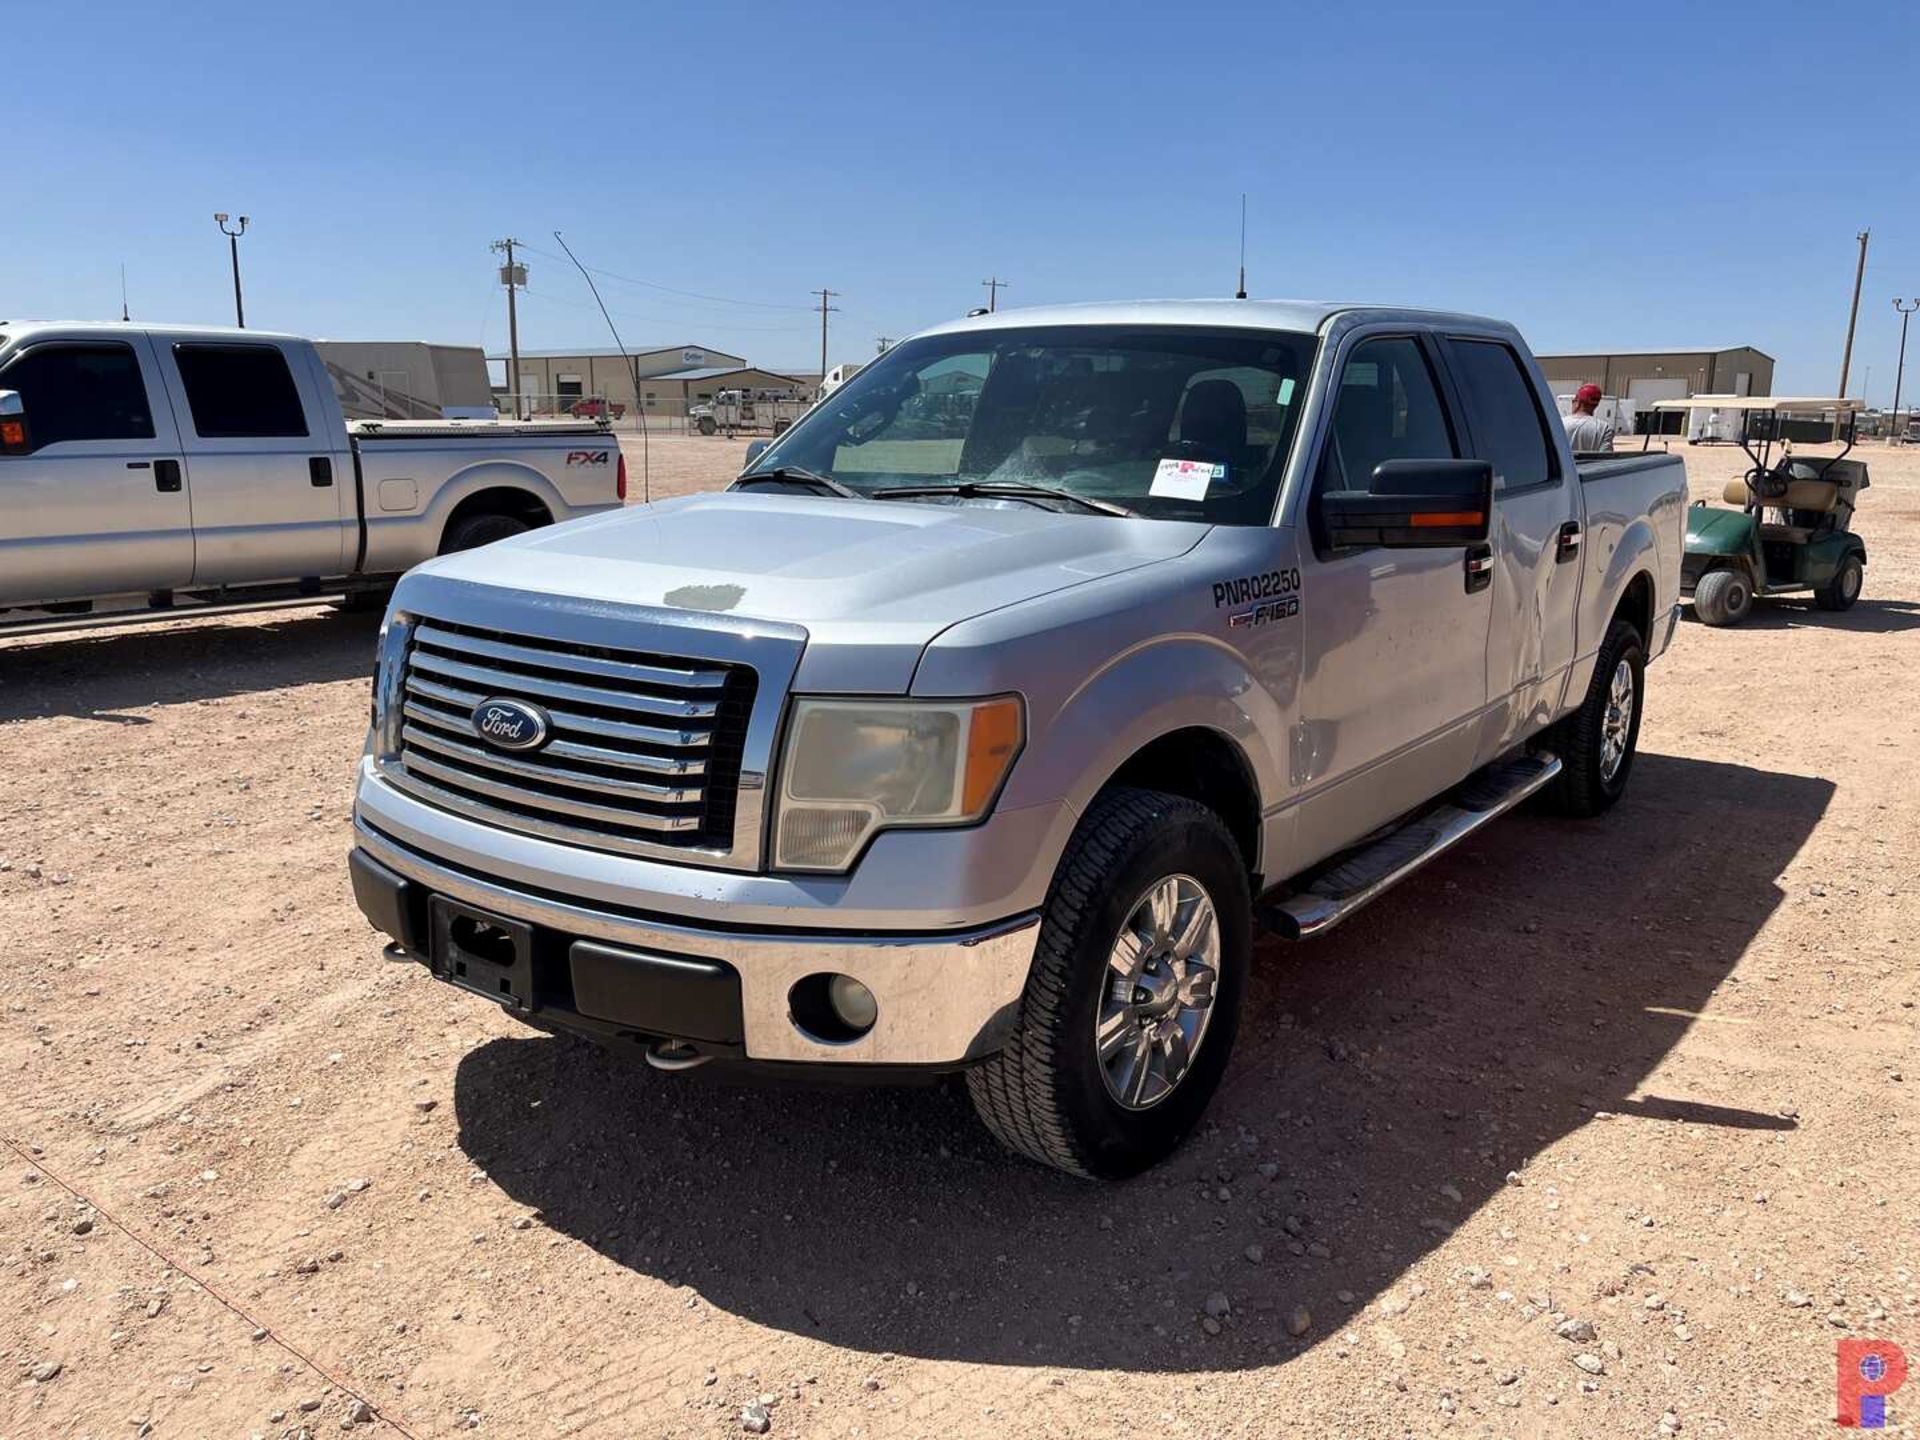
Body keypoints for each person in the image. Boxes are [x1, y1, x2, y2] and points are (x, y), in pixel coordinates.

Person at [1563, 383, 1616, 452]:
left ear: (1578, 402)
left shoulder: (1560, 423)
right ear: (1596, 405)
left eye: (1574, 400)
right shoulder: (1604, 428)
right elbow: (1605, 457)